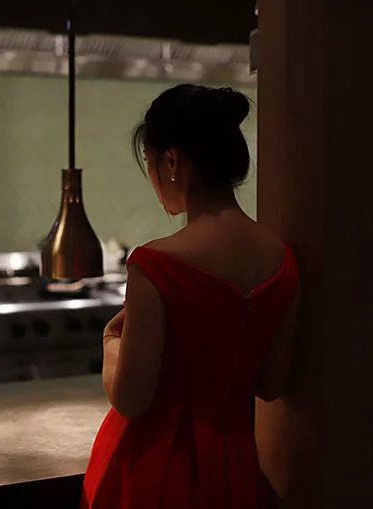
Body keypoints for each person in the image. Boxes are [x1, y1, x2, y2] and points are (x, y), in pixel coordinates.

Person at [81, 85, 300, 508]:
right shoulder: (283, 260)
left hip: (155, 469)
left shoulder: (156, 264)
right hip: (234, 464)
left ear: (172, 161)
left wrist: (110, 343)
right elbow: (271, 384)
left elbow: (130, 399)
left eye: (149, 162)